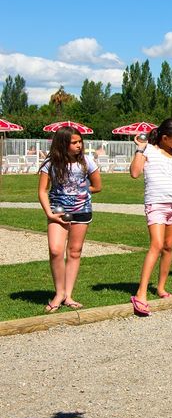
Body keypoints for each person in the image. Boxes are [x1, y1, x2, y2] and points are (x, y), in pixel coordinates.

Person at [128, 118, 172, 316]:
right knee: (156, 245)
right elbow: (134, 173)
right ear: (165, 138)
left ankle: (161, 288)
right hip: (156, 204)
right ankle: (141, 293)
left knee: (168, 246)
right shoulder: (148, 150)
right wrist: (140, 149)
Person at [37, 126, 102, 311]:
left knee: (74, 252)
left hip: (82, 210)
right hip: (58, 210)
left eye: (80, 141)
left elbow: (97, 186)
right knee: (56, 250)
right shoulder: (51, 163)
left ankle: (68, 295)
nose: (78, 145)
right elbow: (42, 190)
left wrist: (79, 192)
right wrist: (49, 213)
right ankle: (59, 293)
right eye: (74, 142)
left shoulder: (87, 162)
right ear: (63, 144)